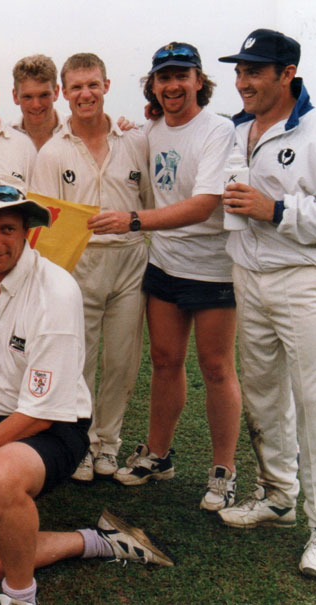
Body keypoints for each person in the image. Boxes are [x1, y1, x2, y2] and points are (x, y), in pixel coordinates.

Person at [0, 174, 171, 605]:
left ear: (27, 230)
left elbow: (41, 413)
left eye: (7, 228)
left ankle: (20, 596)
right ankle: (95, 540)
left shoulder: (56, 290)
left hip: (52, 428)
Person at [91, 43, 241, 511]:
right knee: (164, 360)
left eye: (182, 76)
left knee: (215, 368)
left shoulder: (218, 130)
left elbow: (205, 203)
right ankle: (158, 453)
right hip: (166, 262)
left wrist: (134, 220)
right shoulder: (151, 130)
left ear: (199, 81)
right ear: (153, 86)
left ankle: (223, 470)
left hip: (213, 265)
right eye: (164, 77)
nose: (173, 85)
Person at [215, 29, 316, 576]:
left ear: (287, 74)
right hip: (247, 276)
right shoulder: (238, 129)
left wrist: (275, 210)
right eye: (239, 70)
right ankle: (278, 495)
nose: (242, 81)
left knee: (313, 400)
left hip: (302, 278)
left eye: (255, 71)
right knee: (263, 392)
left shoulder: (312, 130)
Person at [32, 53, 152, 481]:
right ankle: (80, 444)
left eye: (93, 85)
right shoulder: (52, 151)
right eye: (76, 87)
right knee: (77, 358)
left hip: (129, 258)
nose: (85, 94)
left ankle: (108, 444)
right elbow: (45, 223)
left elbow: (150, 205)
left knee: (121, 360)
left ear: (106, 85)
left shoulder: (135, 141)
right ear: (64, 93)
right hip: (78, 263)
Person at [11, 54, 63, 152]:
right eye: (27, 97)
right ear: (15, 96)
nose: (36, 105)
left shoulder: (75, 133)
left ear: (56, 92)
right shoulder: (4, 138)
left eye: (44, 95)